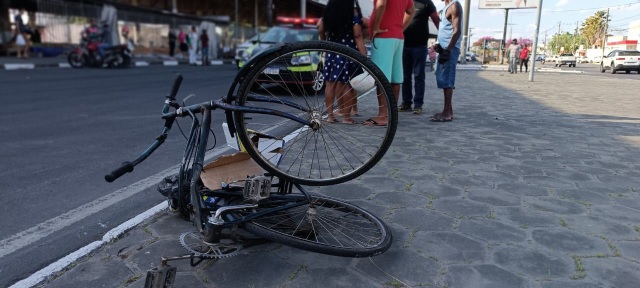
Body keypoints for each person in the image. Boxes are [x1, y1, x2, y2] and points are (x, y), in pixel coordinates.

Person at [366, 0, 416, 126]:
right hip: (398, 36)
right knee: (395, 78)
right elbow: (411, 11)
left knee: (381, 77)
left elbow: (381, 4)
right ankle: (391, 114)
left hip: (383, 36)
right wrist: (401, 28)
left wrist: (375, 27)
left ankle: (383, 115)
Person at [318, 0, 368, 124]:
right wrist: (363, 56)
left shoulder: (328, 16)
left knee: (330, 84)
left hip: (332, 52)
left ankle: (330, 116)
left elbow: (320, 28)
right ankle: (346, 117)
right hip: (348, 53)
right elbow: (357, 36)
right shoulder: (352, 16)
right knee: (347, 85)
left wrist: (325, 41)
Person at [399, 0, 439, 115]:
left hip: (420, 46)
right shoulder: (403, 2)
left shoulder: (427, 3)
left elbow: (436, 19)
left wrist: (442, 35)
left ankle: (418, 105)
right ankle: (406, 103)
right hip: (404, 44)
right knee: (405, 76)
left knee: (419, 76)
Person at [430, 0, 462, 122]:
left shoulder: (454, 6)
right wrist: (439, 45)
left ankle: (447, 112)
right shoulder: (445, 8)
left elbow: (457, 30)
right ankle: (448, 110)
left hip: (450, 49)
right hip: (445, 48)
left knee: (447, 79)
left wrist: (447, 50)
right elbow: (445, 30)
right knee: (443, 78)